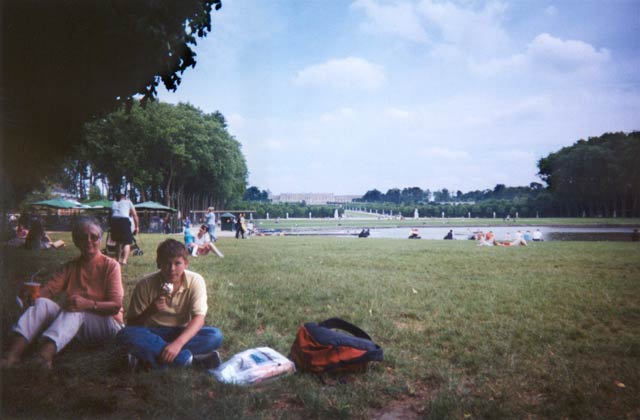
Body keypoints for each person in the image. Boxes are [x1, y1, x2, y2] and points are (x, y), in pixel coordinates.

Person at [0, 217, 124, 369]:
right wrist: (32, 295)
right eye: (82, 237)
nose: (88, 241)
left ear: (101, 239)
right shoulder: (70, 266)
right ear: (76, 240)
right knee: (42, 303)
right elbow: (49, 289)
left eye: (94, 236)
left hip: (108, 325)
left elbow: (115, 306)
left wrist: (88, 304)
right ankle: (12, 355)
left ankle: (44, 357)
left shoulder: (111, 266)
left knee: (76, 306)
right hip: (76, 321)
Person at [116, 239, 223, 369]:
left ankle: (147, 359)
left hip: (182, 331)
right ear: (158, 263)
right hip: (152, 332)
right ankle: (189, 361)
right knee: (124, 334)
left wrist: (177, 344)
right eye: (167, 263)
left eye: (177, 263)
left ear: (186, 264)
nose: (172, 269)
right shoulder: (145, 284)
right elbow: (132, 324)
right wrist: (151, 310)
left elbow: (199, 318)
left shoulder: (195, 280)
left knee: (214, 335)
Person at [110, 192, 139, 265]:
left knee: (118, 241)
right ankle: (124, 261)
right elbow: (135, 215)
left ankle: (117, 260)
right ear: (124, 197)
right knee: (127, 242)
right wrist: (136, 227)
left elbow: (110, 215)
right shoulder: (128, 202)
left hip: (114, 220)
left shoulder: (113, 203)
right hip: (124, 220)